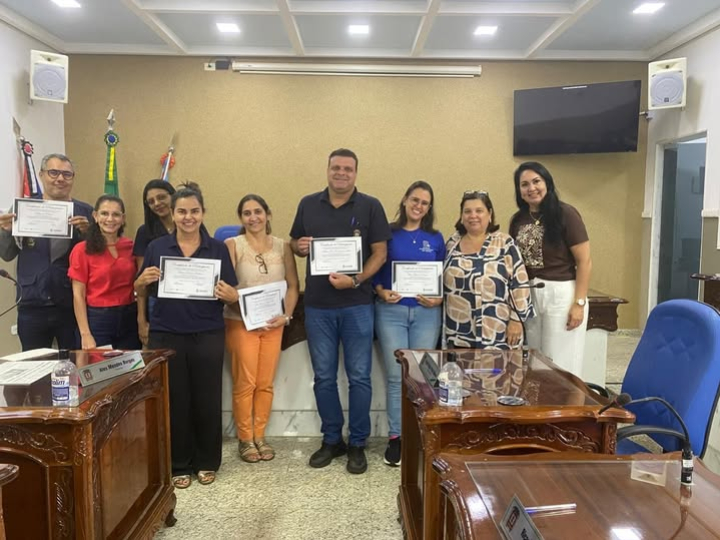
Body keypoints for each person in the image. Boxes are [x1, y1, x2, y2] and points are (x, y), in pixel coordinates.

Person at [290, 148, 391, 474]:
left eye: (348, 169)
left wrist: (356, 279)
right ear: (328, 170)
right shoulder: (308, 204)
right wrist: (299, 247)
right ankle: (332, 439)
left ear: (355, 173)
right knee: (324, 377)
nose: (341, 173)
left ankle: (358, 443)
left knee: (359, 377)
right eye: (336, 167)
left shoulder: (371, 206)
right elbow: (294, 243)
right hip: (318, 306)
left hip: (357, 304)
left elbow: (380, 253)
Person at [134, 183, 239, 489]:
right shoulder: (157, 248)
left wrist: (232, 295)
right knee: (175, 400)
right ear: (173, 213)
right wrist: (140, 282)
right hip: (167, 333)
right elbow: (140, 288)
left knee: (208, 398)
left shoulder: (217, 249)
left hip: (207, 332)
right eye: (182, 211)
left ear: (203, 213)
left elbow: (231, 293)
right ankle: (178, 463)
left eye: (194, 211)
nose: (188, 217)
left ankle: (207, 461)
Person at [373, 181, 444, 467]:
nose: (419, 206)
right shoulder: (387, 233)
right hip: (391, 312)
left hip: (426, 315)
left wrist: (439, 298)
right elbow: (375, 268)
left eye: (425, 203)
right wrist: (380, 291)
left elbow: (444, 275)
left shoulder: (436, 238)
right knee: (396, 377)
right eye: (415, 200)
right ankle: (397, 437)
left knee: (424, 378)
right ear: (405, 200)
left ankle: (422, 436)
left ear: (429, 208)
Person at [224, 194, 299, 463]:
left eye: (258, 211)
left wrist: (286, 316)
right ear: (241, 218)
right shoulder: (232, 245)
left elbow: (293, 286)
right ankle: (245, 439)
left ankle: (260, 436)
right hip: (240, 322)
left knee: (265, 383)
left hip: (273, 323)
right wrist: (237, 302)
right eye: (247, 213)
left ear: (268, 214)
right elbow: (225, 286)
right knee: (246, 382)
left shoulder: (283, 246)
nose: (253, 217)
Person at [0, 153, 92, 350]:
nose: (60, 178)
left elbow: (96, 259)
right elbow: (7, 254)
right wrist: (5, 231)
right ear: (41, 175)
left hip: (70, 304)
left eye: (67, 174)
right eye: (54, 172)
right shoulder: (23, 209)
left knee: (73, 361)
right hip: (32, 303)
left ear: (73, 178)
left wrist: (87, 234)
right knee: (33, 363)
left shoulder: (85, 212)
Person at [509, 162, 592, 377]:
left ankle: (566, 400)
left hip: (561, 294)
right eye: (524, 184)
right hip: (530, 294)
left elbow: (584, 261)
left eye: (536, 181)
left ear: (547, 183)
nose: (531, 188)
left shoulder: (566, 214)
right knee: (537, 362)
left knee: (560, 364)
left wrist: (579, 303)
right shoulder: (518, 220)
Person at [444, 191, 534, 349]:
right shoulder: (452, 243)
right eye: (467, 211)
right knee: (460, 366)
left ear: (489, 214)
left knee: (499, 366)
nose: (473, 216)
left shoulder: (504, 243)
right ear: (462, 216)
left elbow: (520, 284)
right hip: (458, 332)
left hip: (498, 331)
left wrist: (516, 320)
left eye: (479, 211)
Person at [68, 195, 141, 350]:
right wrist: (85, 334)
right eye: (104, 213)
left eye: (116, 214)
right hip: (98, 320)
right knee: (100, 365)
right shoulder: (82, 250)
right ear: (95, 216)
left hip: (129, 318)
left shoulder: (131, 246)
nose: (110, 219)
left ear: (123, 218)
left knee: (130, 365)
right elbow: (78, 295)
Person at [133, 180, 176, 347]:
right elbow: (141, 282)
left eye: (161, 197)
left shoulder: (190, 226)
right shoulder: (145, 232)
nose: (157, 203)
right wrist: (141, 320)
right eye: (151, 201)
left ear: (173, 196)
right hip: (157, 304)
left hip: (188, 305)